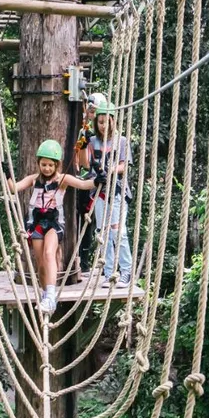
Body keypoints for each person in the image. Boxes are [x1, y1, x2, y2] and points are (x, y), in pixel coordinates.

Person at [6, 139, 105, 313]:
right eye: (44, 164)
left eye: (51, 165)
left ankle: (51, 297)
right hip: (35, 223)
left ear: (57, 165)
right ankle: (46, 295)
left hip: (54, 222)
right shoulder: (33, 179)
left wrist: (98, 181)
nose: (47, 168)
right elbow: (14, 188)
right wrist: (6, 172)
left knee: (49, 253)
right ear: (38, 164)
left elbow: (82, 184)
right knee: (41, 263)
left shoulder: (62, 179)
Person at [78, 103, 134, 288]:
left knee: (118, 231)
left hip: (116, 190)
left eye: (106, 121)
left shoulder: (122, 141)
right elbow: (85, 164)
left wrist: (109, 170)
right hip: (99, 192)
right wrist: (82, 144)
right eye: (100, 122)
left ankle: (126, 270)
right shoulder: (93, 141)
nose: (103, 125)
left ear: (113, 121)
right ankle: (109, 271)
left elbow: (124, 166)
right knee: (102, 232)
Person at [75, 92, 107, 274]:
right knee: (85, 222)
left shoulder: (108, 133)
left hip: (103, 182)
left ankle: (105, 262)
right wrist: (84, 143)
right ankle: (84, 262)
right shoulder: (84, 130)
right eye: (91, 111)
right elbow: (83, 162)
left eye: (96, 112)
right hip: (87, 181)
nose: (93, 115)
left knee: (102, 222)